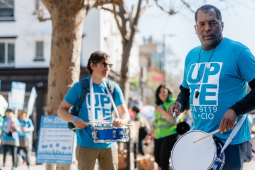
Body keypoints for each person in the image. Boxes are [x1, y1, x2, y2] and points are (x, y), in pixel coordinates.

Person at [168, 4, 255, 170]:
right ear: (195, 28)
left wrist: (236, 110)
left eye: (213, 23)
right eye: (202, 24)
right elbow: (186, 91)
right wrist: (180, 103)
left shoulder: (238, 51)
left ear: (222, 25)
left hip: (231, 139)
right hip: (200, 138)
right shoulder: (191, 56)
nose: (207, 28)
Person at [58, 51, 130, 170]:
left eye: (109, 65)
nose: (107, 68)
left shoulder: (114, 88)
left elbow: (125, 114)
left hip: (109, 144)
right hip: (86, 144)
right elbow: (61, 110)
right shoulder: (79, 87)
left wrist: (121, 121)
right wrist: (74, 119)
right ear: (92, 66)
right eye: (104, 65)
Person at [153, 84, 177, 170]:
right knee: (157, 159)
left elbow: (174, 121)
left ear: (168, 92)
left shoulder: (174, 103)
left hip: (170, 134)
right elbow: (156, 121)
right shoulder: (157, 105)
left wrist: (162, 111)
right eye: (160, 92)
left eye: (164, 91)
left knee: (164, 159)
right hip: (158, 136)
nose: (162, 94)